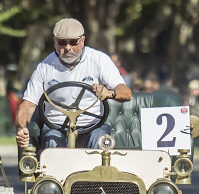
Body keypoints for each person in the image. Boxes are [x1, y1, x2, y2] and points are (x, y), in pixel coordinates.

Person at [15, 18, 131, 149]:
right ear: (54, 42)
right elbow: (28, 105)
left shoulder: (99, 60)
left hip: (92, 126)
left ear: (82, 41)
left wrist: (110, 93)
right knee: (52, 144)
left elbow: (126, 93)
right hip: (56, 127)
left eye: (73, 42)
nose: (68, 48)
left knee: (100, 141)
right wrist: (21, 129)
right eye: (62, 43)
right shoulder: (44, 67)